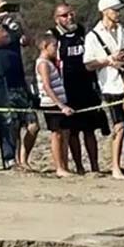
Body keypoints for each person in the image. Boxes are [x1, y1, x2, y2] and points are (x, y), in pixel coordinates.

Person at [83, 0, 124, 179]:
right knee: (119, 126)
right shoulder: (93, 35)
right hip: (108, 85)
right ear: (104, 11)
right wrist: (109, 60)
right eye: (115, 10)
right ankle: (115, 166)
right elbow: (88, 63)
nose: (118, 13)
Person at [49, 3, 107, 175]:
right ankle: (79, 167)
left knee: (90, 130)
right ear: (56, 19)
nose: (69, 18)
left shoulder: (83, 32)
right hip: (67, 89)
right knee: (73, 131)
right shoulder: (53, 36)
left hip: (87, 88)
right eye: (64, 15)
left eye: (71, 14)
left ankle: (95, 166)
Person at [0, 0, 39, 171]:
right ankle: (1, 160)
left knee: (20, 123)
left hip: (15, 80)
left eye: (5, 8)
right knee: (2, 122)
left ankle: (16, 158)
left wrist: (20, 22)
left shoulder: (12, 28)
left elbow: (28, 41)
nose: (3, 11)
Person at [35, 33, 75, 177]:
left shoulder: (51, 63)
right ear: (45, 46)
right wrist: (60, 105)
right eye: (54, 46)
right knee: (56, 134)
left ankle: (64, 165)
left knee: (65, 133)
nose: (56, 49)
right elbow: (47, 86)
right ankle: (59, 167)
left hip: (61, 102)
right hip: (51, 104)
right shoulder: (43, 64)